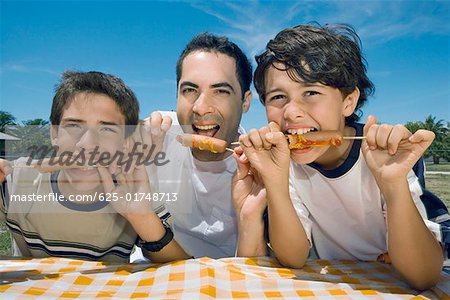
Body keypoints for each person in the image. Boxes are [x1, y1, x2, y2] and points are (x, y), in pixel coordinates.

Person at [233, 24, 443, 290]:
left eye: (310, 92)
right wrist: (275, 181)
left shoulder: (385, 153)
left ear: (348, 101)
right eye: (278, 97)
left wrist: (392, 185)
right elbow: (293, 257)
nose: (291, 112)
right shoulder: (284, 162)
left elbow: (424, 277)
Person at [0, 71, 189, 263]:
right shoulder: (16, 181)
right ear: (54, 134)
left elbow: (182, 269)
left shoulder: (135, 187)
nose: (88, 144)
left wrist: (141, 217)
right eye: (74, 126)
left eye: (107, 129)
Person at [146, 33, 253, 259]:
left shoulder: (260, 162)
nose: (201, 107)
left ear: (245, 102)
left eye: (221, 91)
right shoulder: (156, 136)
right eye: (189, 90)